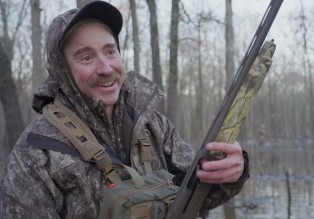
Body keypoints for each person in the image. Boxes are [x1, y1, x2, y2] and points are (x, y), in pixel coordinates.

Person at [0, 1, 249, 218]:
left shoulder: (153, 125)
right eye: (86, 57)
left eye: (110, 51)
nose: (106, 67)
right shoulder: (35, 153)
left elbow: (199, 196)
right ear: (62, 70)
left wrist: (230, 170)